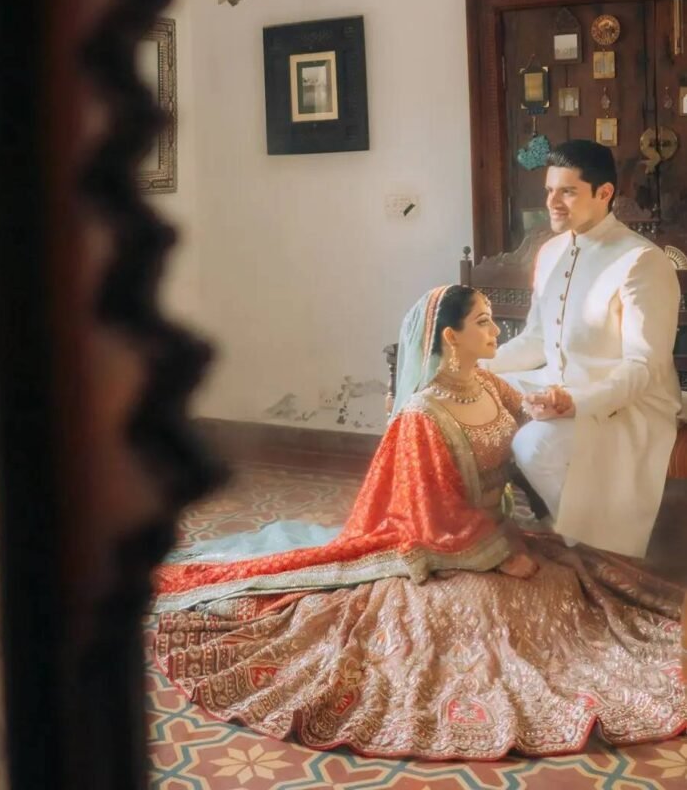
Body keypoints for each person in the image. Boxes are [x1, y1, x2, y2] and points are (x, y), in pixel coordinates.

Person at [152, 285, 685, 760]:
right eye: (483, 321)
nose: (496, 332)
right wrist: (500, 557)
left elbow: (527, 419)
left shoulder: (489, 385)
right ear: (451, 337)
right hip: (445, 551)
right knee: (482, 623)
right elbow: (428, 512)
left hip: (497, 534)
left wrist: (565, 409)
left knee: (568, 590)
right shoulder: (421, 416)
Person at [487, 140, 681, 557]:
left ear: (604, 192)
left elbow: (644, 365)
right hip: (553, 384)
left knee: (532, 445)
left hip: (627, 402)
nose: (552, 203)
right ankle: (476, 535)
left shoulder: (641, 261)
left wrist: (575, 402)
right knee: (461, 397)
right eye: (549, 190)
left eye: (568, 192)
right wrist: (472, 366)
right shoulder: (550, 252)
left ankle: (592, 553)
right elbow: (535, 340)